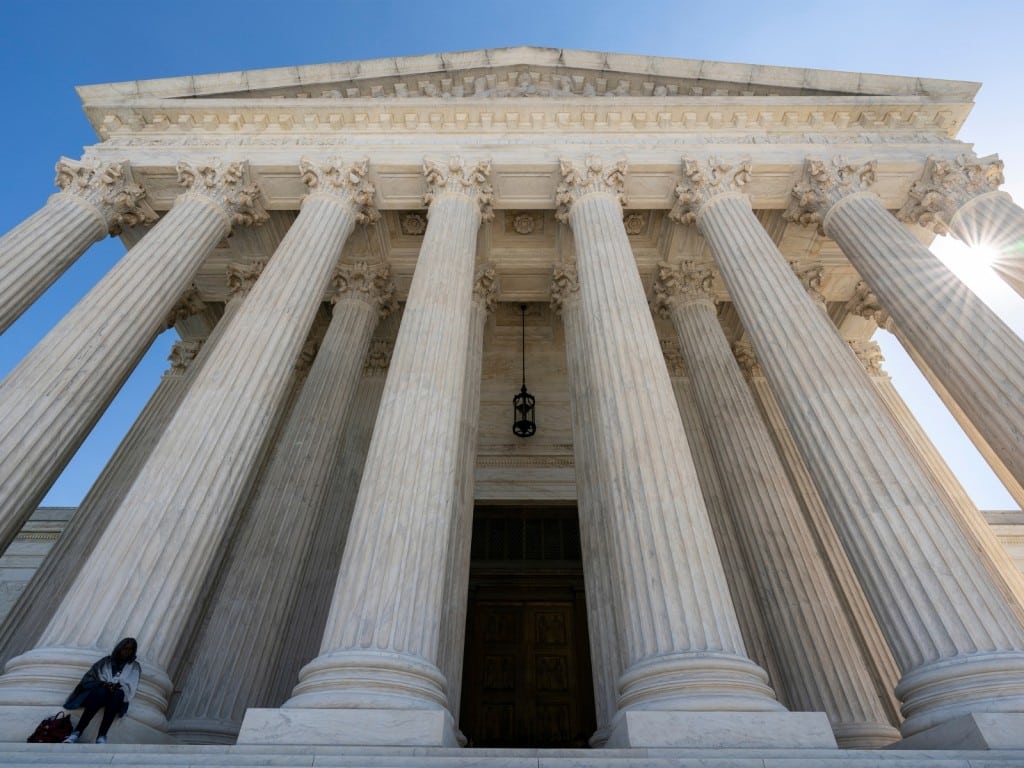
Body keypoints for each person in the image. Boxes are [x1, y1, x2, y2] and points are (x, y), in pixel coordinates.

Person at [62, 637, 141, 744]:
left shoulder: (134, 666)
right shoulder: (105, 662)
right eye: (125, 648)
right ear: (119, 648)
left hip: (117, 696)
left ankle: (102, 736)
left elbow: (131, 687)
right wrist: (103, 684)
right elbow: (87, 680)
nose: (127, 651)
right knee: (101, 692)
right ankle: (77, 732)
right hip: (97, 693)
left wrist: (117, 686)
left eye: (130, 649)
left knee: (118, 694)